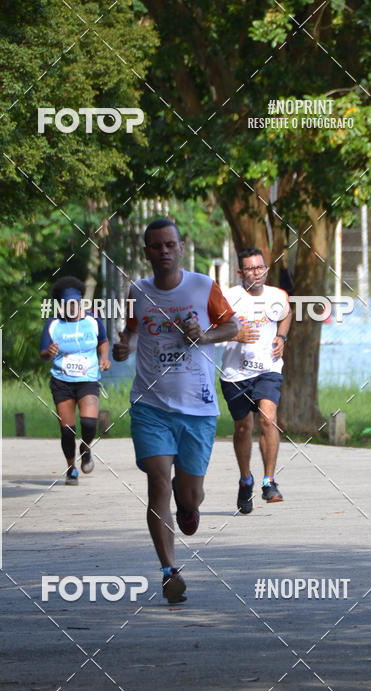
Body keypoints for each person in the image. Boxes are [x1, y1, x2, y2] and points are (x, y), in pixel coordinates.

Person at [112, 219, 239, 605]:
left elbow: (232, 326)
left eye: (170, 244)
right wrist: (125, 346)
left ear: (180, 247)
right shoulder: (138, 291)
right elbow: (133, 331)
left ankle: (189, 508)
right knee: (158, 483)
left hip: (198, 410)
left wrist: (204, 335)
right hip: (150, 406)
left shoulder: (202, 287)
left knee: (190, 494)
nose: (164, 251)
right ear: (147, 252)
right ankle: (169, 571)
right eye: (156, 246)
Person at [219, 248, 292, 514]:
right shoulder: (227, 297)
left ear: (266, 269)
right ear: (240, 273)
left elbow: (286, 314)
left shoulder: (277, 295)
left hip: (268, 368)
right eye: (250, 269)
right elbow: (209, 328)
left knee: (267, 417)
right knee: (242, 428)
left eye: (260, 267)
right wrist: (235, 336)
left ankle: (269, 482)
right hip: (235, 373)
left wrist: (281, 338)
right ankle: (245, 479)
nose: (256, 273)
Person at [40, 276, 110, 485]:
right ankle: (71, 469)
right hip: (62, 381)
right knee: (67, 430)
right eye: (66, 304)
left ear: (80, 303)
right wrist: (49, 352)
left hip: (87, 379)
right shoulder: (53, 324)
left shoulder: (93, 320)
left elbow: (103, 341)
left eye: (75, 304)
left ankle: (86, 447)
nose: (71, 307)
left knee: (89, 423)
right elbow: (43, 353)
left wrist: (104, 358)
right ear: (61, 305)